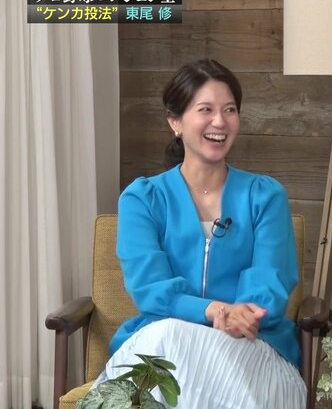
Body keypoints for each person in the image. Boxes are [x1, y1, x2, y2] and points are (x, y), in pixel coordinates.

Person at [94, 59, 306, 408]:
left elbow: (271, 280)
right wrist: (215, 310)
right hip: (165, 346)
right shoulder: (142, 199)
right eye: (205, 109)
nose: (219, 121)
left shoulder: (265, 196)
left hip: (249, 346)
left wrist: (241, 318)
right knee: (169, 335)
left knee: (184, 344)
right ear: (175, 121)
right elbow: (151, 289)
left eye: (229, 110)